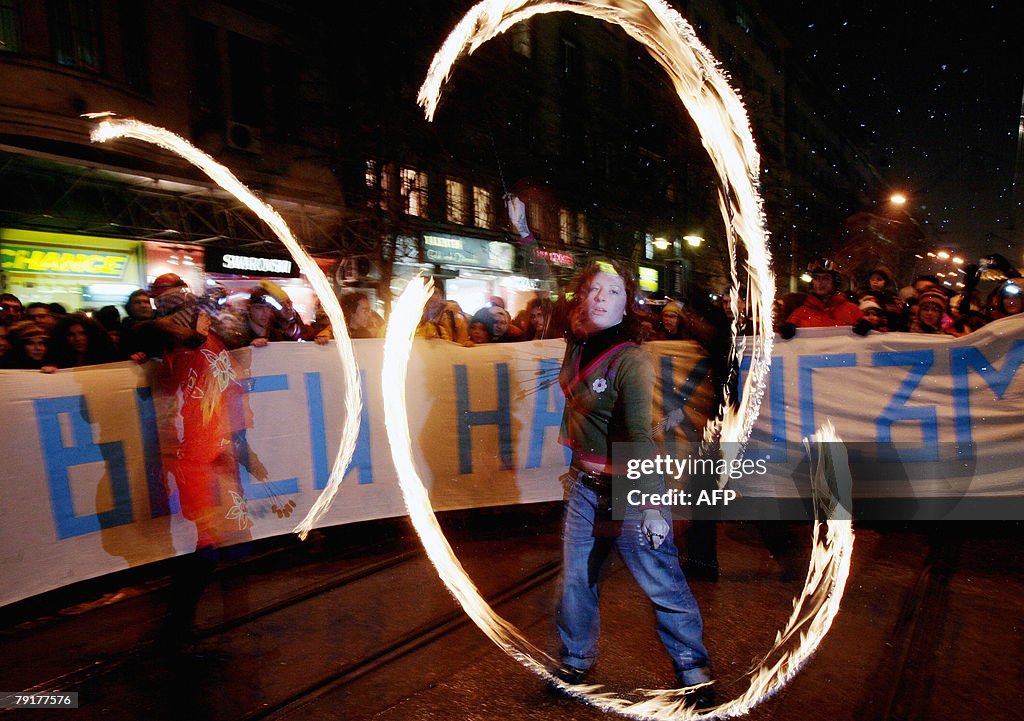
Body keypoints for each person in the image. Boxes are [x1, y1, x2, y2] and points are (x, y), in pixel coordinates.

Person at [553, 260, 714, 706]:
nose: (600, 298)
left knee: (661, 581)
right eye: (593, 290)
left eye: (613, 292)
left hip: (630, 486)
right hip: (584, 486)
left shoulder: (632, 358)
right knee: (576, 579)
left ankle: (694, 673)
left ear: (628, 307)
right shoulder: (577, 344)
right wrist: (527, 234)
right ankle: (576, 662)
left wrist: (649, 506)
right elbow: (555, 284)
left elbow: (639, 436)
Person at [782, 260, 863, 334]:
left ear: (834, 283)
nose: (820, 284)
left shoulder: (852, 310)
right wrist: (784, 333)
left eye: (825, 279)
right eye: (816, 278)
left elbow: (870, 343)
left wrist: (867, 329)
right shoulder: (799, 314)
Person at [43, 313, 119, 369]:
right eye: (71, 334)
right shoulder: (57, 360)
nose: (77, 339)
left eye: (83, 333)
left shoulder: (108, 357)